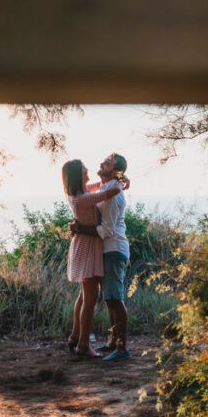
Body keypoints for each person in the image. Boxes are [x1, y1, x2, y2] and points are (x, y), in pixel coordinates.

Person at [69, 153, 131, 361]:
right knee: (109, 299)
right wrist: (122, 179)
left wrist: (80, 229)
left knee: (115, 299)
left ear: (114, 171)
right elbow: (90, 192)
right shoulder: (106, 188)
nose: (101, 163)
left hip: (114, 248)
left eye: (107, 163)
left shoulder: (113, 195)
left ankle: (122, 348)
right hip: (106, 250)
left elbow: (106, 230)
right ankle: (112, 342)